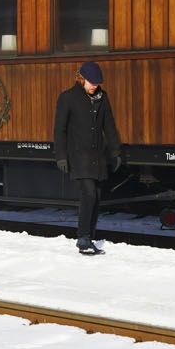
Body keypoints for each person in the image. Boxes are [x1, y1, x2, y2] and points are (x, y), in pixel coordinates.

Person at [53, 60, 121, 255]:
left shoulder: (102, 98)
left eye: (97, 83)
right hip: (78, 157)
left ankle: (89, 237)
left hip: (97, 157)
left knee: (97, 197)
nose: (95, 86)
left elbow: (109, 126)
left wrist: (115, 152)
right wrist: (61, 156)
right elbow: (60, 130)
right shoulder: (67, 98)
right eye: (91, 82)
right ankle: (83, 238)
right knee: (89, 194)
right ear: (81, 78)